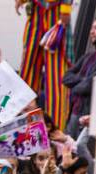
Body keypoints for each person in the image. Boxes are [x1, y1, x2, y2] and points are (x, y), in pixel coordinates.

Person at [18, 0, 72, 130]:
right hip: (37, 12)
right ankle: (21, 127)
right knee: (26, 77)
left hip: (57, 13)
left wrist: (65, 9)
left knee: (57, 81)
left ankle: (55, 131)